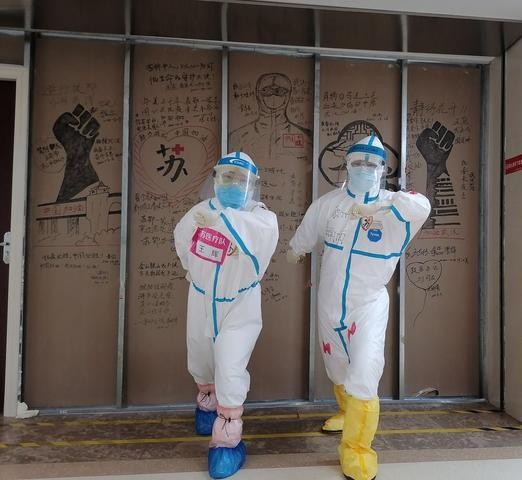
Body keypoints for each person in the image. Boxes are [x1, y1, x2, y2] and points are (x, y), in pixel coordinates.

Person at [287, 136, 431, 480]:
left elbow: (421, 206)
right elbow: (307, 233)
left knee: (365, 370)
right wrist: (296, 248)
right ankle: (347, 412)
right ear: (347, 165)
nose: (364, 168)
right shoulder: (329, 204)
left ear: (382, 169)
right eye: (358, 162)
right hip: (329, 300)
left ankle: (356, 449)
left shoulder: (395, 207)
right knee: (337, 366)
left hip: (367, 303)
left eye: (372, 163)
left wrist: (381, 207)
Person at [174, 151, 278, 479]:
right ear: (216, 179)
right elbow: (182, 244)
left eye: (240, 179)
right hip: (202, 298)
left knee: (230, 367)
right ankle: (206, 406)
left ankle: (227, 442)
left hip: (239, 304)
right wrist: (194, 270)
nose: (233, 184)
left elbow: (257, 241)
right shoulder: (200, 212)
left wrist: (219, 222)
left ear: (253, 184)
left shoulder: (261, 218)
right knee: (200, 356)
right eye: (227, 176)